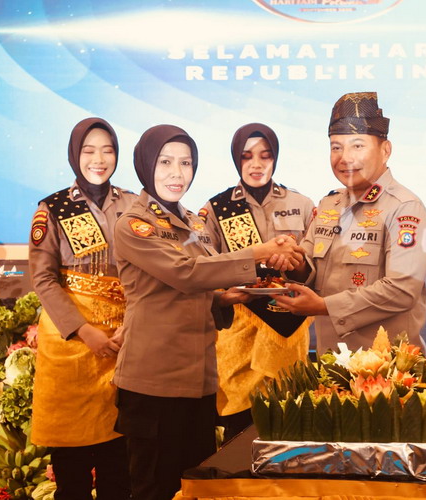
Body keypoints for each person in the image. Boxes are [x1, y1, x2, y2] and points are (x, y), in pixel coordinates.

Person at [112, 124, 303, 500]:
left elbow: (194, 289)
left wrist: (223, 299)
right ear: (146, 164)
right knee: (155, 488)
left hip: (198, 381)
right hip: (154, 381)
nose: (177, 173)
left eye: (185, 163)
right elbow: (185, 273)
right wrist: (258, 253)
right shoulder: (134, 224)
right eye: (165, 162)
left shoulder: (193, 223)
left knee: (196, 488)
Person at [274, 92, 426, 353]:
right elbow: (310, 269)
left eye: (357, 146)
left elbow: (402, 291)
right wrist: (292, 261)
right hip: (332, 362)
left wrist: (324, 307)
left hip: (389, 367)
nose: (344, 158)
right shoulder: (329, 205)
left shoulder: (405, 208)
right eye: (336, 147)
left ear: (385, 150)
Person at [29, 117, 133, 500]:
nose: (99, 159)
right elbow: (43, 279)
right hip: (70, 346)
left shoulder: (134, 204)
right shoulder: (53, 208)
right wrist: (84, 331)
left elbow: (146, 272)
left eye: (107, 150)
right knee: (71, 473)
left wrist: (130, 326)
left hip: (123, 342)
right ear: (75, 155)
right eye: (89, 150)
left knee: (117, 467)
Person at [198, 123, 315, 440]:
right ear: (236, 159)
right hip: (239, 330)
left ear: (275, 158)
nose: (256, 164)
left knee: (290, 423)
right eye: (247, 156)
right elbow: (204, 269)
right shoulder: (216, 209)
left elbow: (316, 271)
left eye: (265, 156)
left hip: (288, 328)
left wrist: (297, 265)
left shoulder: (302, 204)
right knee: (240, 428)